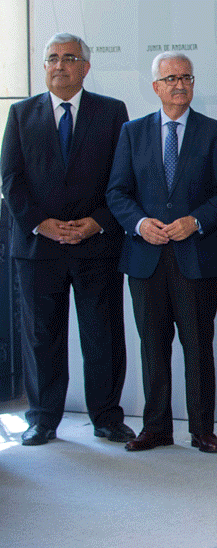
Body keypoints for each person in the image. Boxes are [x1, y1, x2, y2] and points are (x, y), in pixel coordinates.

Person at [1, 33, 134, 446]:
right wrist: (42, 223)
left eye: (69, 58)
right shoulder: (21, 114)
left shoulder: (112, 113)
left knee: (103, 335)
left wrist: (98, 221)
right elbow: (11, 180)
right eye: (52, 58)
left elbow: (122, 178)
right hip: (39, 248)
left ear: (85, 67)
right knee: (41, 337)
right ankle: (42, 418)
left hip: (96, 245)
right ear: (44, 67)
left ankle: (107, 418)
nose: (59, 65)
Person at [106, 52, 217, 454]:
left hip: (195, 256)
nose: (179, 84)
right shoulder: (132, 132)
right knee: (153, 346)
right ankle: (156, 427)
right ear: (156, 87)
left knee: (198, 345)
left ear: (193, 84)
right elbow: (117, 191)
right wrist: (140, 224)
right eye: (170, 78)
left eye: (186, 77)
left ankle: (202, 429)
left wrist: (195, 220)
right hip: (145, 257)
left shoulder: (215, 132)